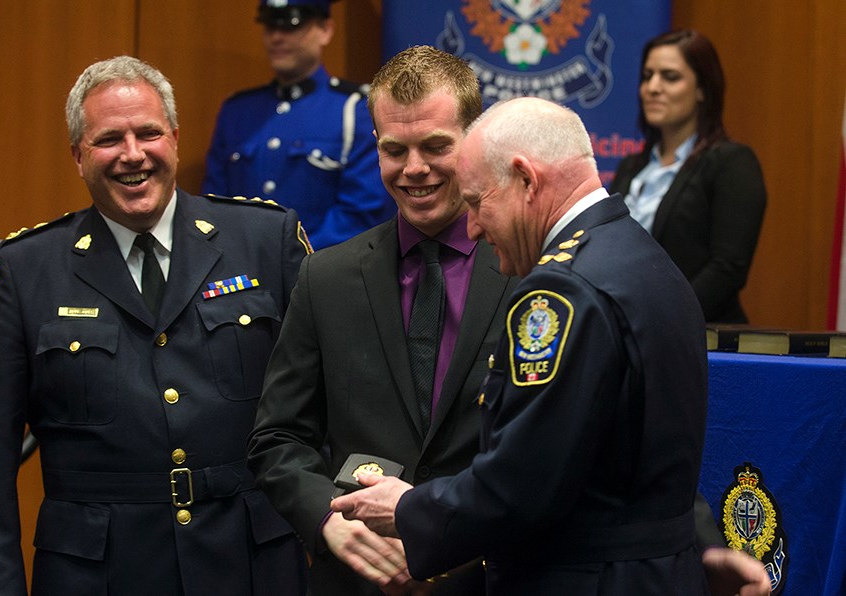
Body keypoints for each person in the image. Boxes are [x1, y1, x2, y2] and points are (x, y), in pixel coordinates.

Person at [0, 56, 310, 595]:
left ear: (175, 139)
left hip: (251, 566)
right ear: (77, 155)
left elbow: (329, 404)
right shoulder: (24, 272)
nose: (133, 155)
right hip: (96, 577)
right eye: (108, 139)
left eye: (148, 133)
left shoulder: (265, 241)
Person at [331, 97, 713, 594]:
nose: (471, 228)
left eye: (475, 202)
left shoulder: (562, 291)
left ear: (526, 180)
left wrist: (405, 508)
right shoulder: (641, 255)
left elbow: (523, 483)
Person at [247, 46, 515, 595]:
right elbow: (278, 437)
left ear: (475, 140)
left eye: (436, 146)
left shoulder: (529, 274)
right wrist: (327, 520)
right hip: (359, 575)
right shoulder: (325, 278)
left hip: (492, 578)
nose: (414, 168)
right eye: (395, 150)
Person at [202, 0, 394, 249]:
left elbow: (362, 213)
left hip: (322, 273)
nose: (277, 37)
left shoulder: (355, 110)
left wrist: (294, 261)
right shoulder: (237, 111)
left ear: (325, 30)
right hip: (242, 274)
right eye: (270, 26)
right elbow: (213, 206)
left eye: (292, 26)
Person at [609, 29, 766, 324]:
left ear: (702, 89)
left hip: (697, 337)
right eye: (647, 75)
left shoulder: (731, 163)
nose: (653, 87)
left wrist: (663, 321)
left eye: (670, 77)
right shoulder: (631, 166)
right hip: (627, 330)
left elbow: (727, 268)